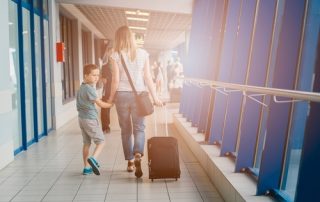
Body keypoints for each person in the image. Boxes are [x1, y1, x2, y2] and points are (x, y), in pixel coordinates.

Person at [107, 26, 163, 178]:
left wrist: (110, 99)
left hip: (122, 96)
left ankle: (130, 162)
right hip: (139, 95)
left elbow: (115, 80)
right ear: (131, 37)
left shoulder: (115, 54)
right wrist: (155, 97)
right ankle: (138, 152)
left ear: (118, 38)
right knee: (139, 128)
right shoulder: (143, 53)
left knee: (126, 130)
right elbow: (148, 78)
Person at [76, 64, 113, 175]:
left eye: (97, 75)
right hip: (90, 119)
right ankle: (93, 159)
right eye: (93, 75)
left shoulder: (82, 87)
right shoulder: (89, 89)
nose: (96, 77)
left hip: (81, 119)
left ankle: (86, 168)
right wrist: (111, 104)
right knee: (101, 141)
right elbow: (100, 103)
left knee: (86, 143)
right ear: (86, 76)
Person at [100, 49, 113, 134]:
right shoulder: (104, 67)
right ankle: (105, 127)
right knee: (105, 108)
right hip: (109, 91)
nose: (112, 54)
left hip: (116, 90)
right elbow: (103, 81)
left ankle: (106, 128)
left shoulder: (119, 65)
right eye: (110, 52)